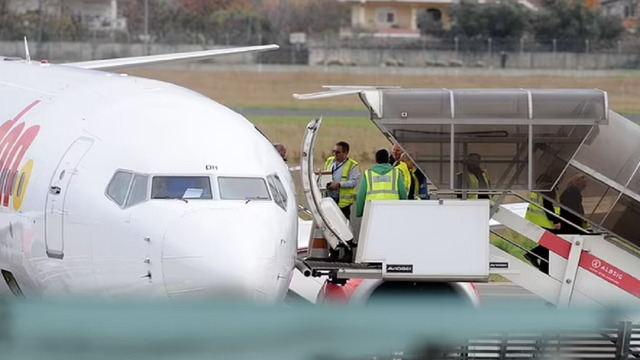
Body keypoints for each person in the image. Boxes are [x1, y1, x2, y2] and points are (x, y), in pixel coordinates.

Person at [524, 174, 561, 275]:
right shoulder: (548, 188)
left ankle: (543, 268)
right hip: (545, 222)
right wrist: (555, 221)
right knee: (552, 244)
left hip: (534, 219)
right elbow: (547, 206)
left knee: (548, 245)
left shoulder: (538, 187)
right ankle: (533, 255)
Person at [356, 149, 407, 218]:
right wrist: (404, 209)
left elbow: (361, 194)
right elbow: (403, 193)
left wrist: (359, 212)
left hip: (372, 211)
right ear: (388, 159)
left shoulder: (368, 174)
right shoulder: (396, 173)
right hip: (392, 210)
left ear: (376, 160)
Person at [324, 141, 360, 220]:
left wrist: (339, 184)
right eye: (333, 151)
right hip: (329, 199)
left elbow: (353, 182)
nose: (335, 154)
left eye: (338, 152)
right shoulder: (330, 161)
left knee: (343, 224)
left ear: (345, 153)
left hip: (343, 203)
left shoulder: (353, 165)